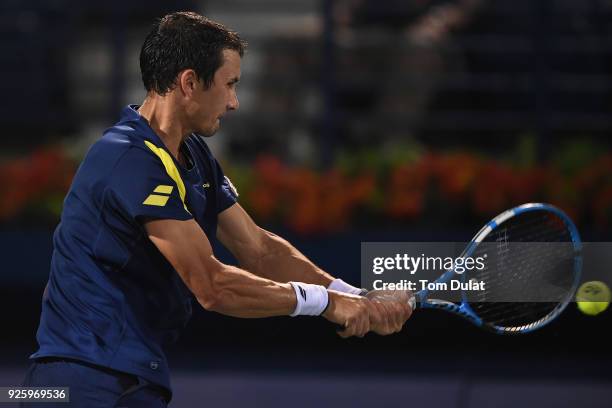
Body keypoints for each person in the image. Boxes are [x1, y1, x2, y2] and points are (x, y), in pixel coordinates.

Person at [21, 12, 412, 407]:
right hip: (78, 384)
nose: (234, 102)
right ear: (190, 83)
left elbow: (259, 248)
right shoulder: (128, 159)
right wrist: (325, 303)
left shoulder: (191, 152)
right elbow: (212, 286)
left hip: (117, 377)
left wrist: (356, 295)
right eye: (229, 85)